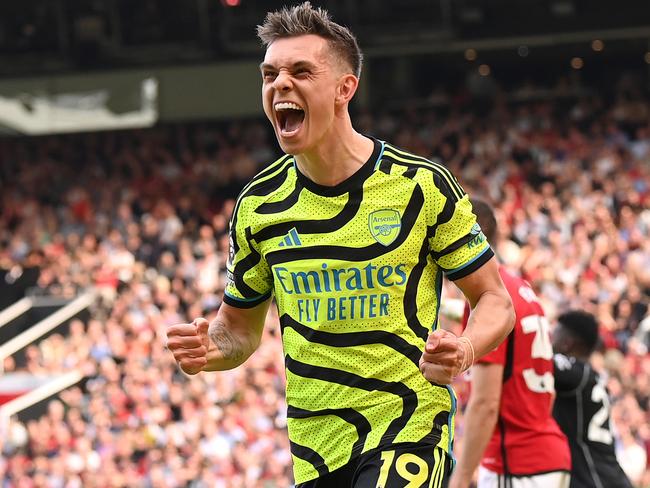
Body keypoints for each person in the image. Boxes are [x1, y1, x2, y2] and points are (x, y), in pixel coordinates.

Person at [166, 3, 515, 487]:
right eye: (269, 74)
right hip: (317, 450)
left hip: (407, 427)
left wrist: (467, 349)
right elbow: (238, 330)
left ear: (344, 88)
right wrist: (209, 348)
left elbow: (495, 299)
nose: (279, 84)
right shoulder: (259, 206)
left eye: (300, 71)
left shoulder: (420, 186)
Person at [449, 199, 571, 488]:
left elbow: (486, 402)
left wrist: (462, 477)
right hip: (545, 454)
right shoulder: (522, 290)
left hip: (517, 462)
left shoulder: (487, 300)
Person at [552, 310, 633, 488]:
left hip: (595, 480)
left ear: (567, 343)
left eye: (555, 333)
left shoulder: (577, 373)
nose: (550, 337)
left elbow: (539, 359)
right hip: (607, 477)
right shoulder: (589, 376)